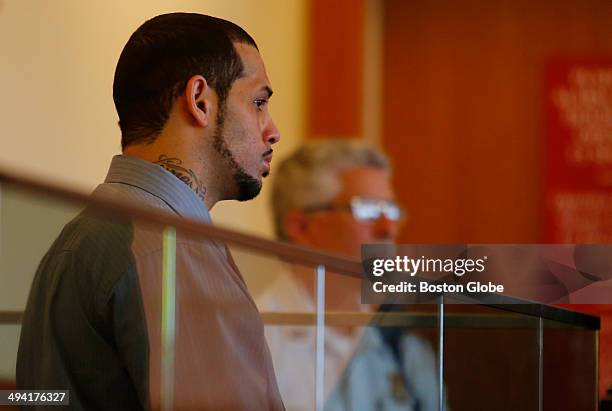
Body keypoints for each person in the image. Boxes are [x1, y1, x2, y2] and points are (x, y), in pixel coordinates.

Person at [17, 13, 283, 411]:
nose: (272, 129)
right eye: (259, 102)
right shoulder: (167, 250)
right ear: (200, 101)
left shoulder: (87, 236)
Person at [257, 140, 445, 411]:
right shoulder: (253, 341)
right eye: (368, 210)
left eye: (391, 210)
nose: (388, 228)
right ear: (302, 226)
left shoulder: (402, 343)